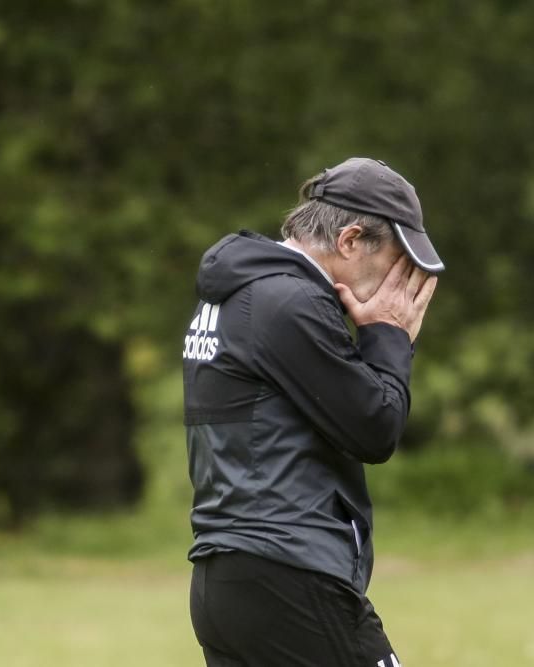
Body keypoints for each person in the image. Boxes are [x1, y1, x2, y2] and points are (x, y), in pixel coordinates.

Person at [183, 157, 442, 667]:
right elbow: (375, 428)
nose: (398, 280)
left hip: (226, 578)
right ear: (349, 241)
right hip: (289, 573)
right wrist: (388, 336)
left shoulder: (236, 295)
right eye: (394, 260)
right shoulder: (289, 301)